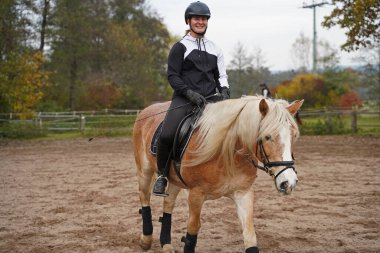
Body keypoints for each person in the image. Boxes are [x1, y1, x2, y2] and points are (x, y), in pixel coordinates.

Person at [152, 1, 230, 196]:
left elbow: (221, 76)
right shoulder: (180, 47)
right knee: (167, 134)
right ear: (189, 21)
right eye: (196, 18)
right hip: (185, 98)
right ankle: (162, 176)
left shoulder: (215, 48)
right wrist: (189, 93)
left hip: (211, 100)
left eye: (203, 19)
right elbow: (173, 76)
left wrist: (226, 91)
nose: (200, 22)